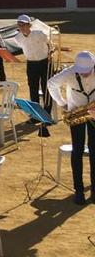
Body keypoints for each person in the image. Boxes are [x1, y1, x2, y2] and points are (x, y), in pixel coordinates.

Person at [48, 51, 95, 205]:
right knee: (77, 150)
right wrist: (62, 103)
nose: (84, 75)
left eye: (87, 72)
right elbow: (51, 84)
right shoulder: (69, 72)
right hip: (76, 114)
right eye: (81, 72)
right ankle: (79, 190)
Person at [15, 14, 53, 136]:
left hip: (45, 62)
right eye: (19, 25)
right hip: (31, 64)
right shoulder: (18, 37)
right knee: (33, 89)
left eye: (23, 25)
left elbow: (49, 44)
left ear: (29, 25)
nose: (21, 27)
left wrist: (50, 52)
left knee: (47, 88)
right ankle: (36, 115)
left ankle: (46, 116)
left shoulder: (39, 34)